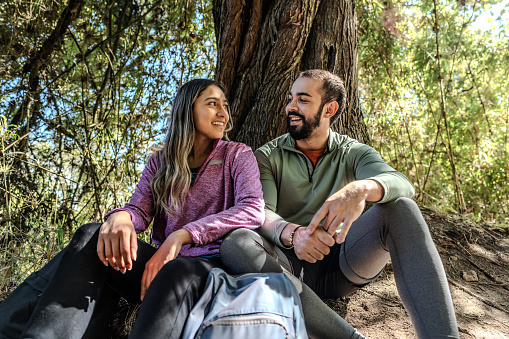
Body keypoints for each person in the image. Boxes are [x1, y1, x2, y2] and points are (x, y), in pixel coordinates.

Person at [0, 78, 266, 339]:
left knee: (174, 270)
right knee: (92, 236)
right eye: (212, 104)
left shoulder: (237, 155)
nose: (224, 114)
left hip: (205, 267)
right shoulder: (161, 162)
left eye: (225, 105)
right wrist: (121, 217)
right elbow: (139, 210)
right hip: (158, 267)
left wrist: (182, 235)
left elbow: (252, 208)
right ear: (188, 110)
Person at [220, 69, 460, 339]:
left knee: (401, 207)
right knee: (236, 242)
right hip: (286, 264)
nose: (290, 107)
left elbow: (401, 183)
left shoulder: (353, 152)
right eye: (290, 99)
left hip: (344, 264)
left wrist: (361, 188)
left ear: (329, 109)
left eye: (303, 100)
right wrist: (293, 233)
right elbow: (260, 212)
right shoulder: (267, 155)